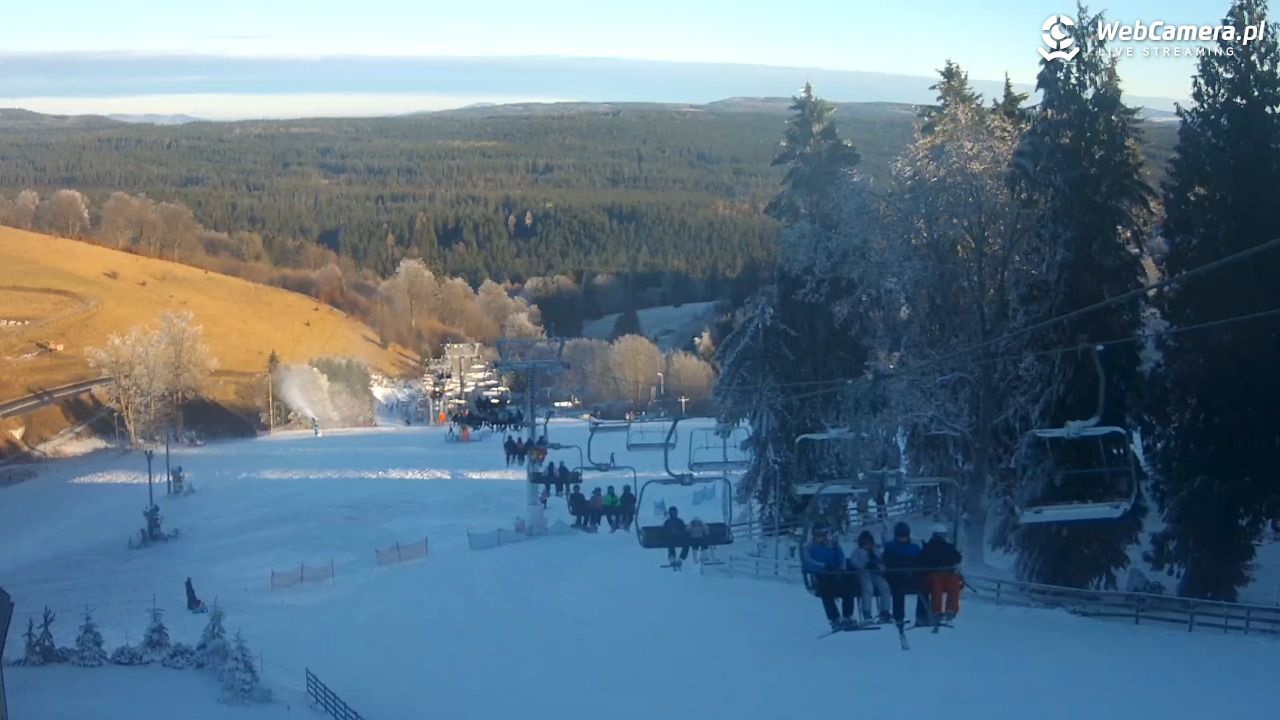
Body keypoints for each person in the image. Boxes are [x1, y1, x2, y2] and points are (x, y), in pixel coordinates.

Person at [802, 526, 857, 631]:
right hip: (820, 575)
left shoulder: (833, 545)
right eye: (818, 535)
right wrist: (823, 566)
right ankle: (835, 618)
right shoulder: (808, 547)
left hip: (834, 573)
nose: (821, 537)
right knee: (826, 592)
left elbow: (841, 557)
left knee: (848, 587)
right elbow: (808, 562)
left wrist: (841, 568)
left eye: (823, 535)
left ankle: (848, 615)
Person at [882, 522, 926, 628]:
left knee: (924, 587)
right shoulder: (890, 547)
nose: (903, 539)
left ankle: (921, 615)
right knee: (898, 590)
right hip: (896, 577)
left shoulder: (914, 547)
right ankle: (899, 617)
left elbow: (920, 561)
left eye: (905, 536)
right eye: (901, 536)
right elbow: (887, 562)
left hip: (911, 577)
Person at [918, 524, 962, 622]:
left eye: (943, 535)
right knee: (937, 586)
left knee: (954, 583)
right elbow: (922, 561)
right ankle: (936, 610)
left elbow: (957, 558)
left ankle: (951, 609)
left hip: (947, 573)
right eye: (940, 535)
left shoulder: (948, 547)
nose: (942, 538)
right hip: (933, 574)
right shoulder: (929, 547)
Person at [848, 530, 893, 624]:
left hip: (876, 574)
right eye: (865, 543)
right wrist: (864, 565)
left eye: (869, 543)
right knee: (868, 588)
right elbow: (853, 562)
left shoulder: (876, 552)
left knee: (885, 587)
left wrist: (879, 567)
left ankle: (885, 611)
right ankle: (867, 613)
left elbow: (882, 564)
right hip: (863, 574)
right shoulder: (857, 551)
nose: (867, 545)